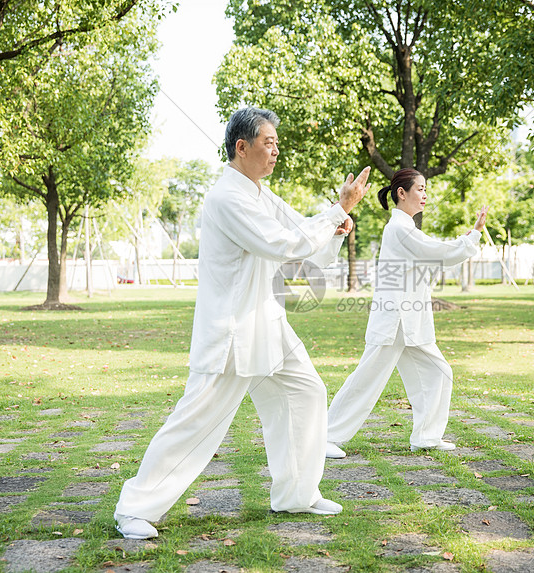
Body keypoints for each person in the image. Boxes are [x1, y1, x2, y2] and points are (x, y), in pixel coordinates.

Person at [114, 106, 371, 539]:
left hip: (267, 323)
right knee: (197, 420)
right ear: (241, 146)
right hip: (231, 331)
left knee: (307, 391)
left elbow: (302, 230)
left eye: (276, 145)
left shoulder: (259, 194)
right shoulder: (226, 198)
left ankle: (295, 494)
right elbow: (284, 244)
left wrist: (335, 222)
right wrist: (335, 213)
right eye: (268, 144)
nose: (275, 153)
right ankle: (135, 508)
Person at [325, 168, 487, 459]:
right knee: (367, 379)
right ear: (402, 193)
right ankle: (325, 436)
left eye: (426, 190)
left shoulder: (406, 229)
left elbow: (430, 258)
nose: (425, 195)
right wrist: (470, 238)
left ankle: (426, 436)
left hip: (408, 321)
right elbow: (436, 252)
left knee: (439, 373)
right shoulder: (399, 228)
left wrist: (461, 243)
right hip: (395, 320)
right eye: (420, 189)